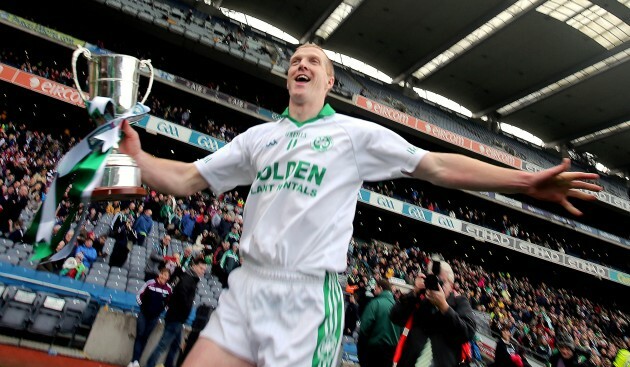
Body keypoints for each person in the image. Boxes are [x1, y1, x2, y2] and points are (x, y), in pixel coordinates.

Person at [118, 43, 602, 367]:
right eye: (294, 61)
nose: (301, 64)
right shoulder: (258, 139)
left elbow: (435, 166)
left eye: (313, 61)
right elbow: (185, 178)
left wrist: (525, 181)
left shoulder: (353, 134)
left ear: (329, 81)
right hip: (246, 288)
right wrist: (137, 159)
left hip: (306, 300)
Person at [389, 260, 476, 367]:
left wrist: (444, 307)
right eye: (432, 280)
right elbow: (394, 317)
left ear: (451, 285)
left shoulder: (460, 302)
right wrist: (414, 293)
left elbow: (468, 332)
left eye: (441, 282)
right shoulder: (419, 299)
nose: (436, 285)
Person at [144, 259, 207, 367]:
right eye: (201, 268)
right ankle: (150, 365)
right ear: (194, 266)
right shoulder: (188, 279)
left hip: (178, 317)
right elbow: (182, 296)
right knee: (163, 345)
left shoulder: (189, 278)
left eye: (204, 269)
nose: (203, 271)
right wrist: (186, 308)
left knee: (175, 345)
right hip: (176, 317)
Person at [128, 268, 173, 367]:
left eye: (166, 275)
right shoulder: (150, 283)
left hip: (154, 317)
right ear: (159, 274)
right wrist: (143, 307)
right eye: (162, 273)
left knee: (145, 338)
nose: (163, 276)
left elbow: (169, 303)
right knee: (139, 335)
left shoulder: (169, 289)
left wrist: (161, 311)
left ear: (168, 278)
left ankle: (137, 361)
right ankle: (133, 361)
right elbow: (139, 295)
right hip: (143, 314)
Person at [357, 279, 401, 367]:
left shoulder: (375, 303)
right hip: (392, 350)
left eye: (376, 288)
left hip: (375, 349)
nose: (374, 290)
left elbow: (364, 327)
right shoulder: (398, 307)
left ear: (381, 288)